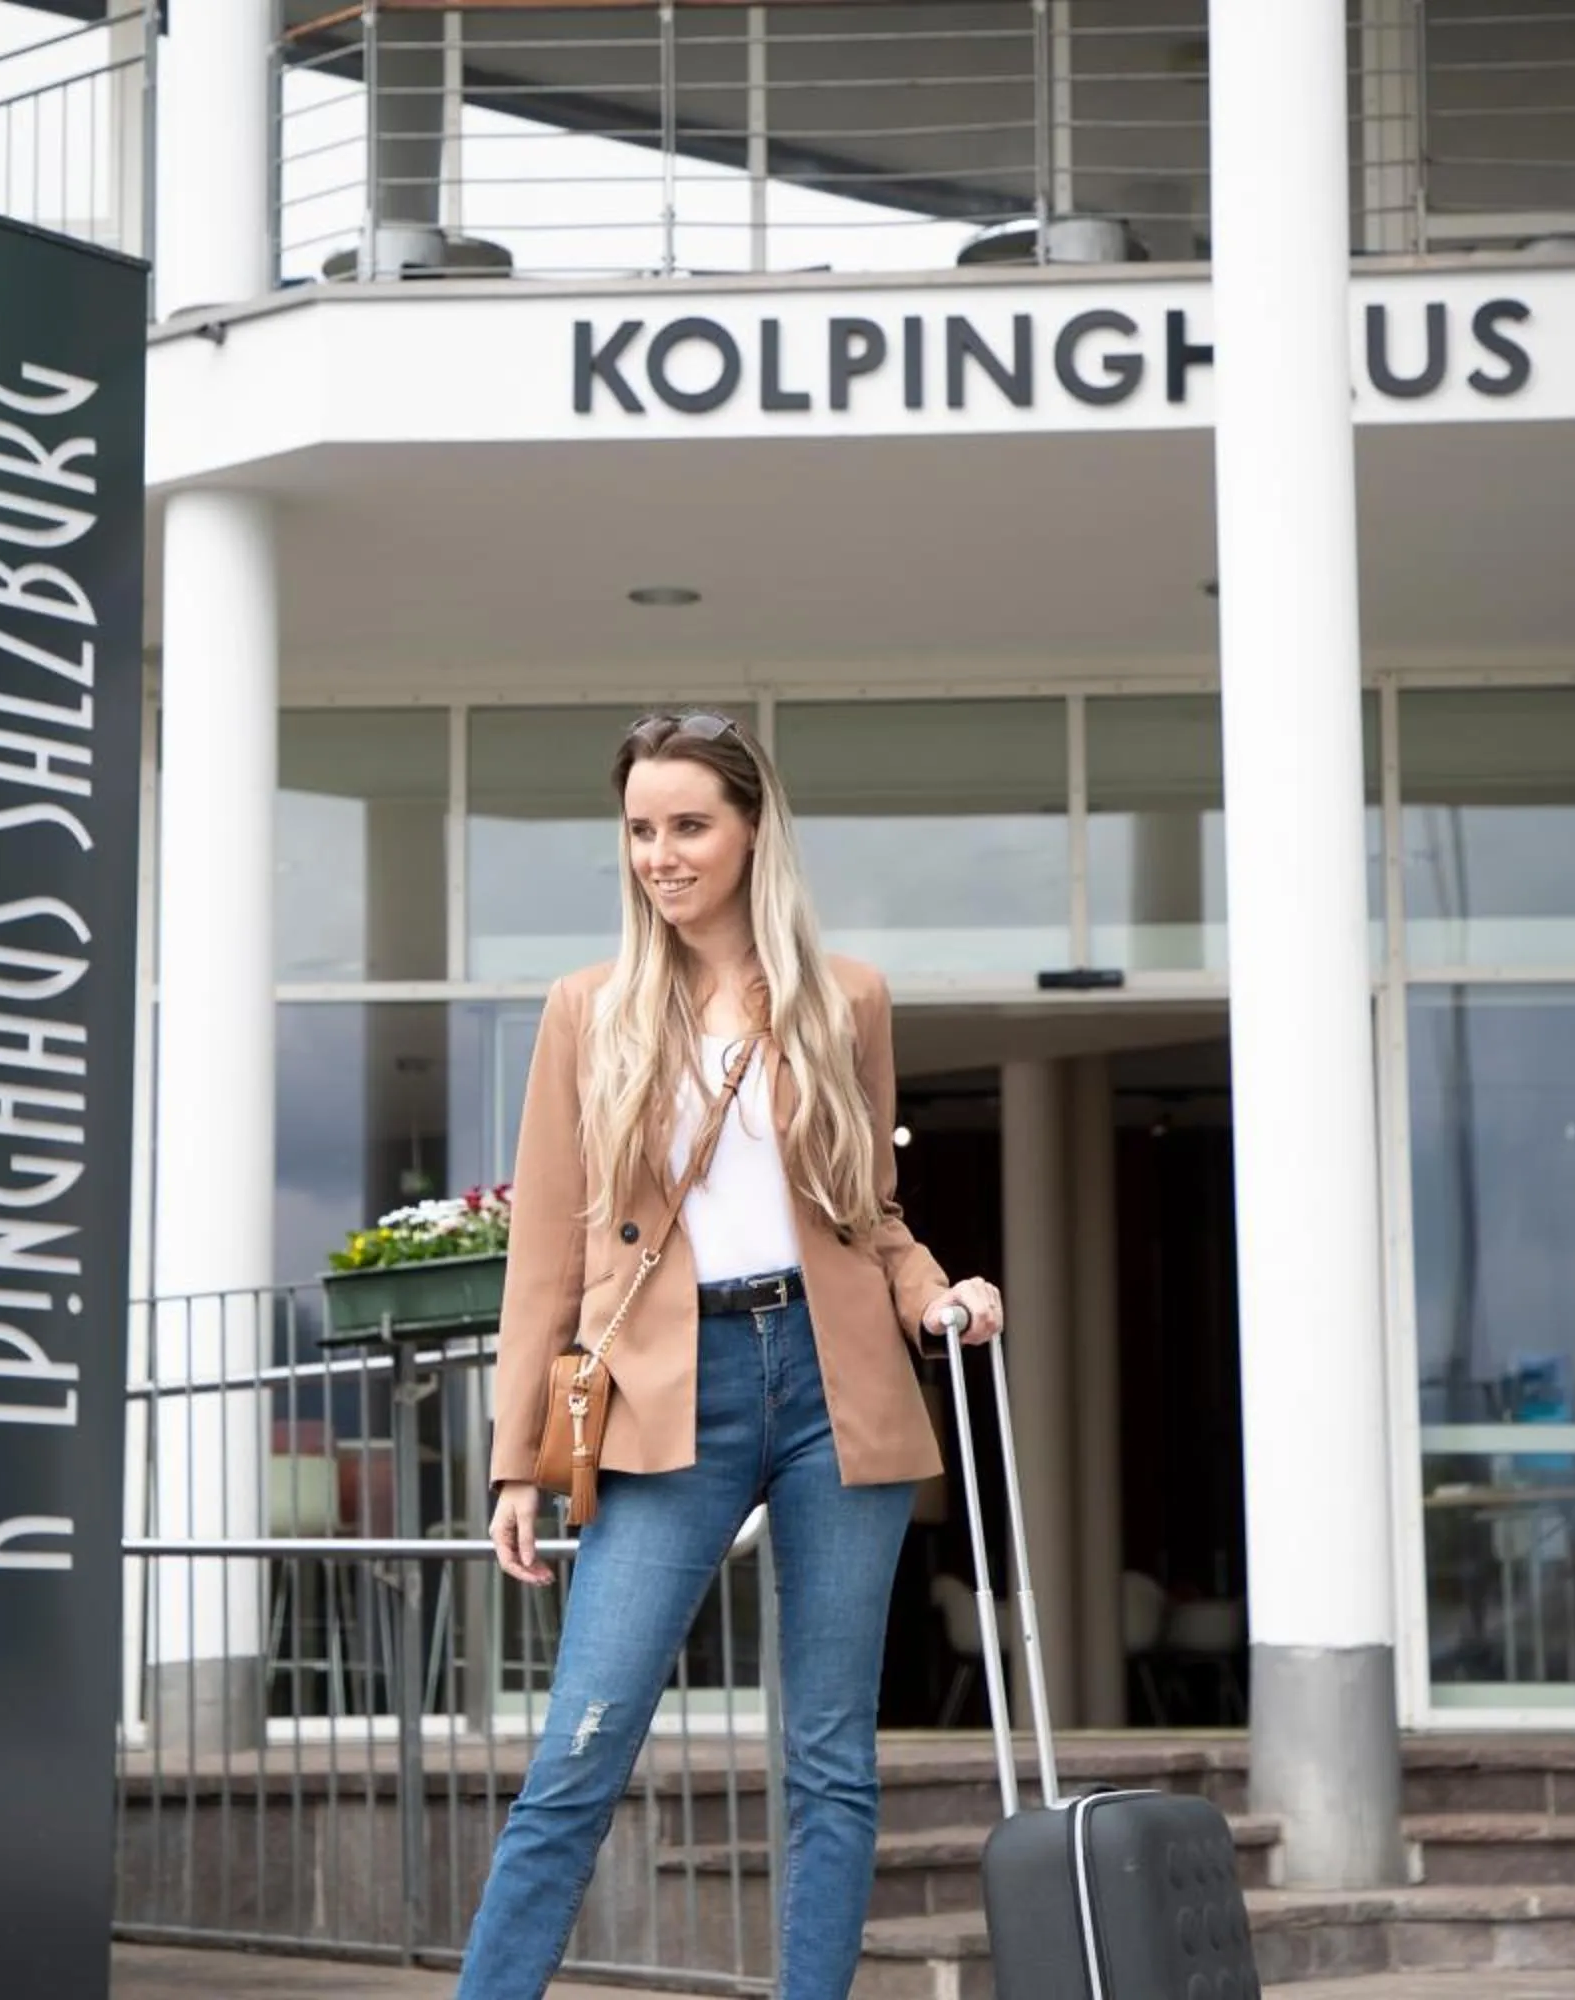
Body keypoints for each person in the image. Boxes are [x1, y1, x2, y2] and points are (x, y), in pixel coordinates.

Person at [457, 709, 1004, 2000]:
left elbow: (869, 1212)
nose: (660, 854)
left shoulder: (844, 999)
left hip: (836, 1386)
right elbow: (545, 1252)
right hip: (665, 1393)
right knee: (582, 1748)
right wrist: (515, 1464)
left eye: (688, 824)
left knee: (828, 1754)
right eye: (641, 830)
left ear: (755, 831)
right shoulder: (587, 1012)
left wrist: (946, 1296)